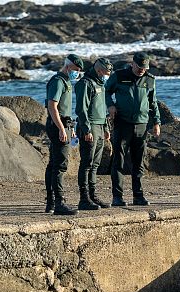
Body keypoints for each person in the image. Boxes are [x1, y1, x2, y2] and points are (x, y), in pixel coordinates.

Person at [105, 51, 161, 207]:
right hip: (122, 123)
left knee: (138, 162)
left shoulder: (150, 80)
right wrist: (110, 105)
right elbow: (106, 91)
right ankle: (117, 197)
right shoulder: (119, 75)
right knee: (119, 161)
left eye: (145, 67)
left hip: (141, 125)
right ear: (132, 64)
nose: (142, 69)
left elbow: (153, 102)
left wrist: (156, 123)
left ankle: (138, 196)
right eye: (140, 67)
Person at [45, 53, 84, 215]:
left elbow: (64, 108)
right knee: (60, 164)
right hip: (57, 124)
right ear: (67, 67)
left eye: (79, 71)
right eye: (75, 70)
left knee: (54, 163)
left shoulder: (67, 81)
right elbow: (52, 106)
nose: (77, 73)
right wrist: (61, 128)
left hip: (65, 123)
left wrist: (70, 127)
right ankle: (59, 202)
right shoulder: (57, 81)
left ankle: (51, 202)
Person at [75, 57, 113, 210]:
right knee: (86, 163)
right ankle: (84, 198)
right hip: (89, 127)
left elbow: (102, 108)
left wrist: (106, 128)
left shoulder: (100, 84)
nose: (108, 75)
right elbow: (81, 109)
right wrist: (86, 129)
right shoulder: (85, 84)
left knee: (95, 164)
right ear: (98, 70)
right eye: (106, 72)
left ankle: (93, 195)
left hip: (99, 126)